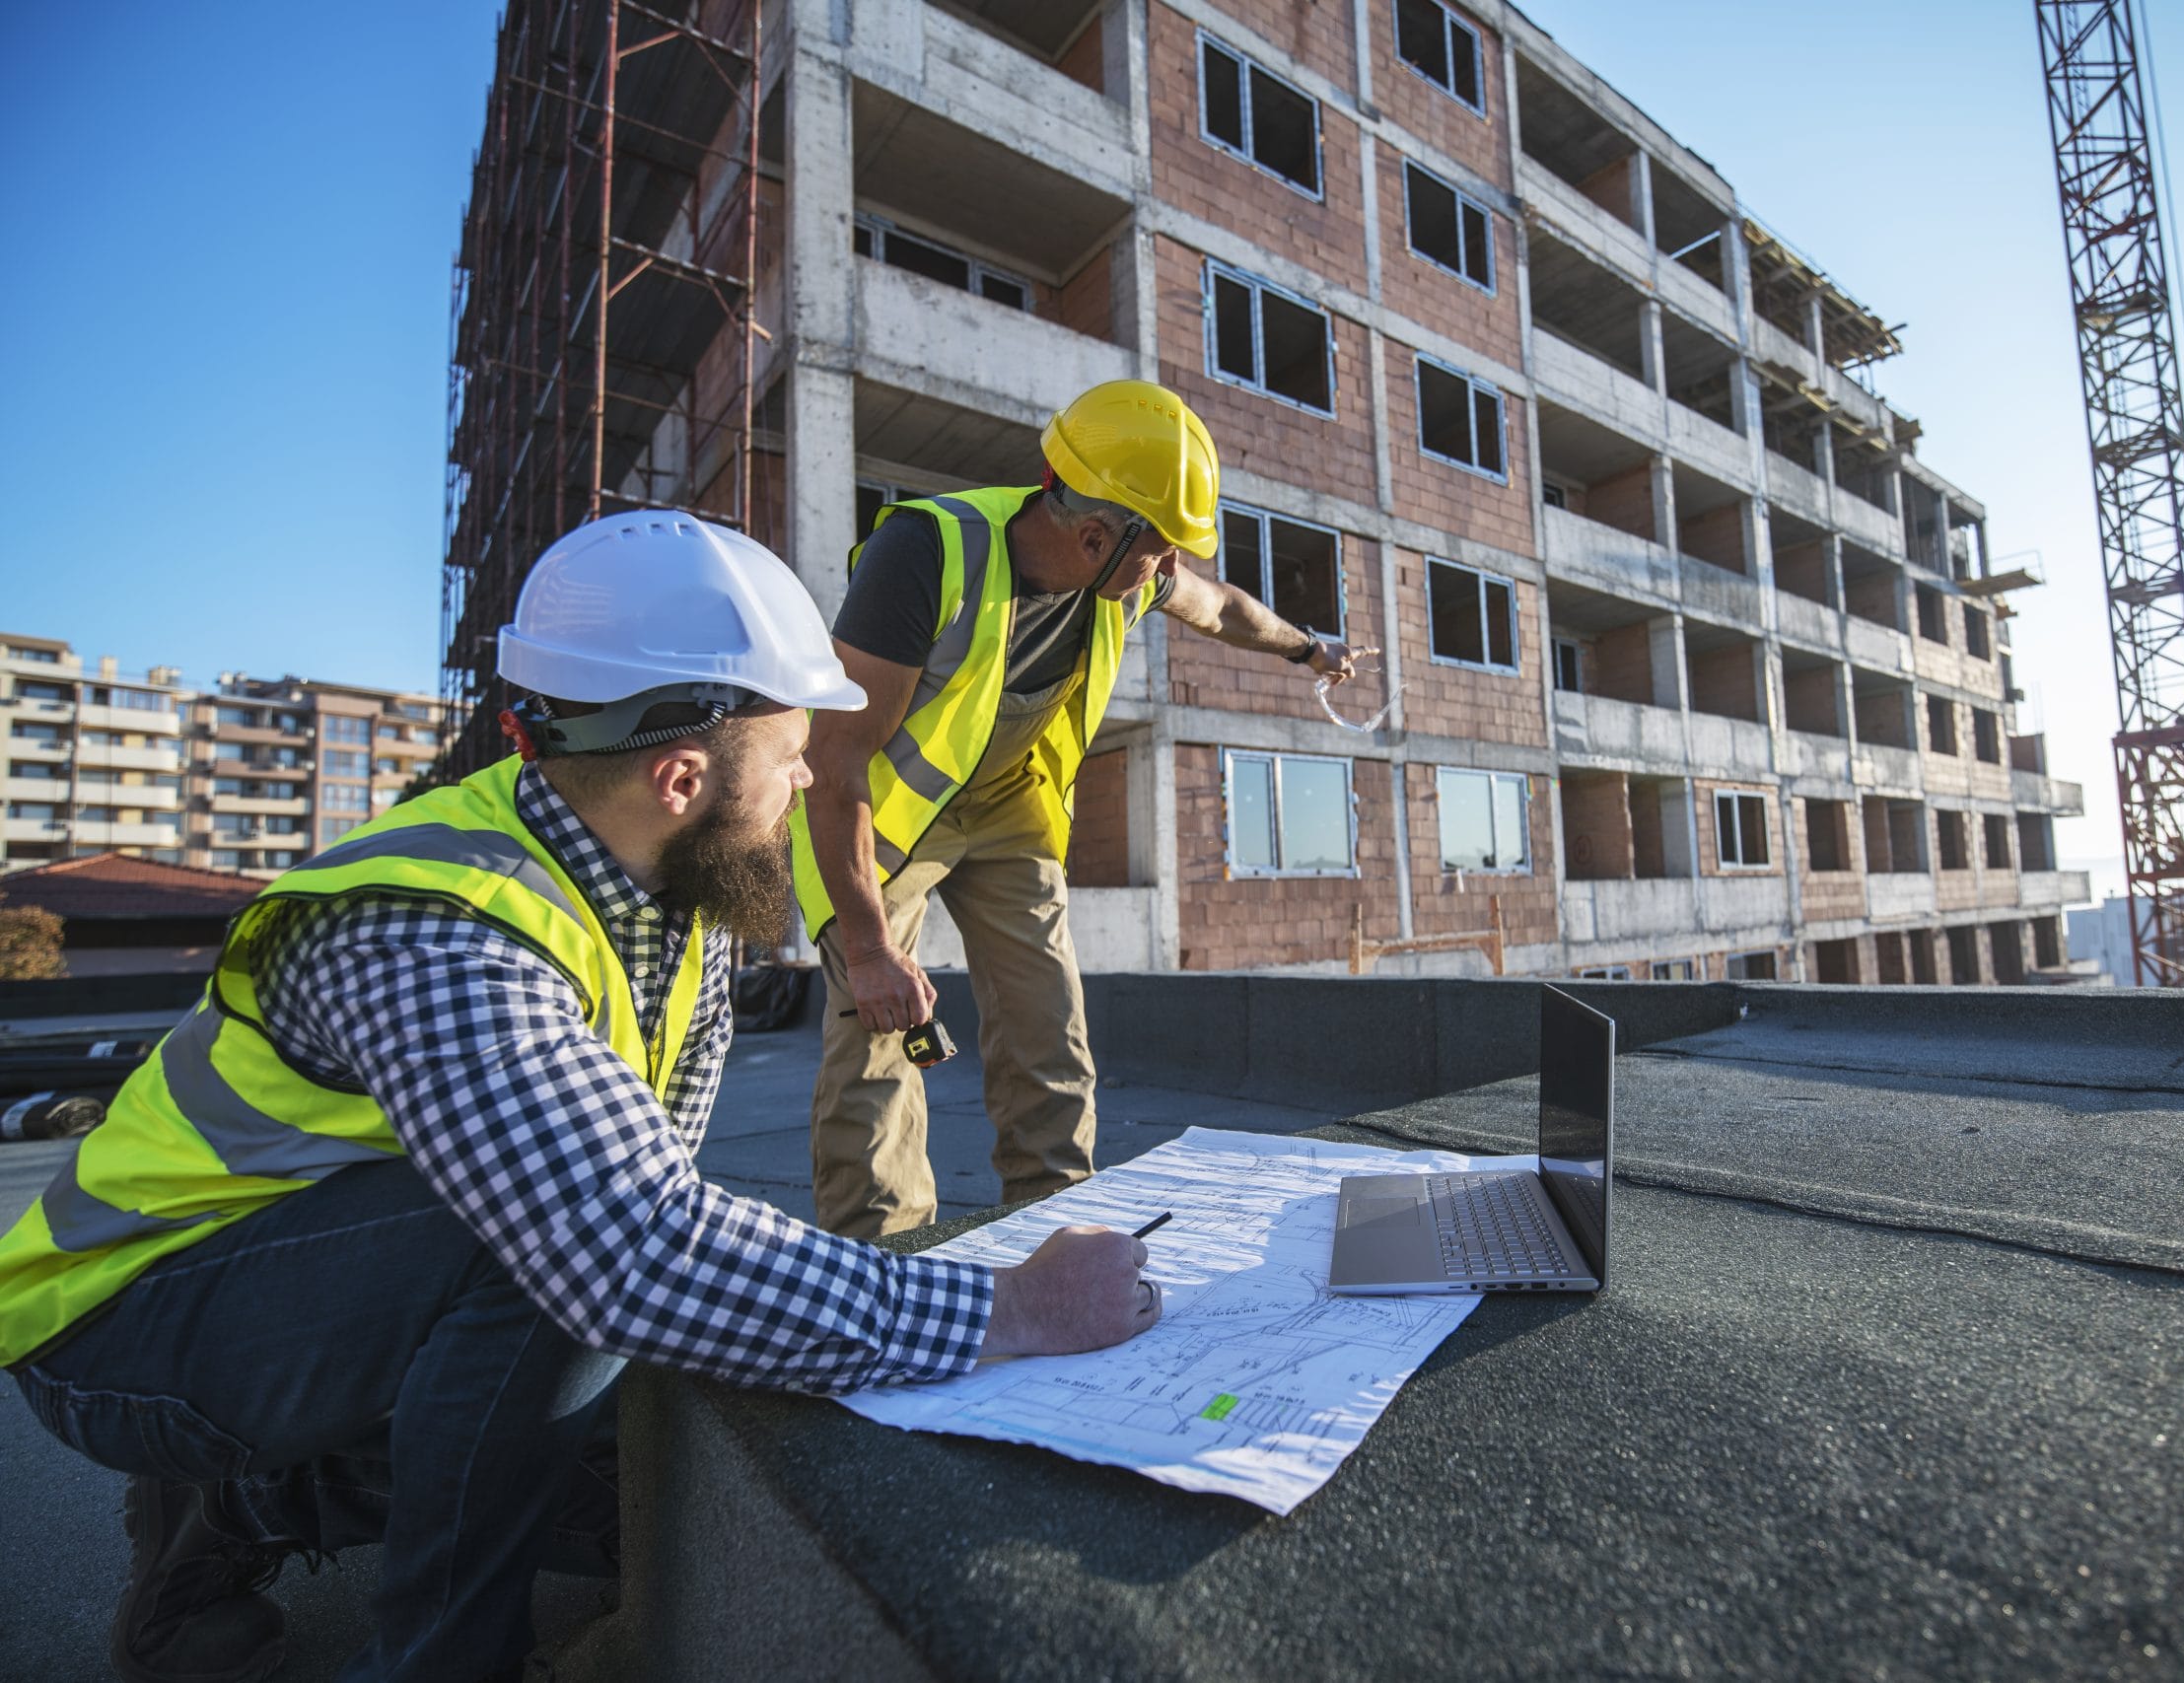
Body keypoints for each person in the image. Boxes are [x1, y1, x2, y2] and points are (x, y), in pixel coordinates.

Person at [0, 512, 1161, 1683]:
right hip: (121, 1326)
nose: (812, 776)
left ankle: (242, 1505)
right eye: (793, 752)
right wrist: (1009, 1311)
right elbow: (625, 1243)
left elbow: (661, 1203)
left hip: (322, 1277)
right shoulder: (437, 929)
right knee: (541, 1237)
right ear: (680, 774)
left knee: (653, 1442)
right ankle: (437, 1659)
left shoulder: (679, 889)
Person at [797, 379, 1358, 1237]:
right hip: (886, 814)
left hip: (1009, 806)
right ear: (1095, 533)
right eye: (1163, 549)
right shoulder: (924, 553)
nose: (1170, 572)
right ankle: (881, 1261)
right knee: (874, 1037)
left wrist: (1309, 649)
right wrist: (870, 948)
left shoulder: (1123, 573)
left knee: (1049, 1034)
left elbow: (1224, 608)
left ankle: (1055, 1229)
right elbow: (833, 762)